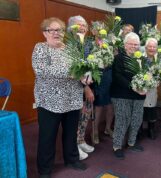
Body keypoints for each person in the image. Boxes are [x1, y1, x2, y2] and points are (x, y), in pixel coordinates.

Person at [32, 17, 87, 178]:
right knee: (47, 136)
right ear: (45, 33)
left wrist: (85, 77)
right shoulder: (40, 48)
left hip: (72, 99)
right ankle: (45, 170)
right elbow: (41, 71)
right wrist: (70, 73)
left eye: (60, 30)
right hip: (49, 101)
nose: (56, 33)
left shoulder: (71, 49)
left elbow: (81, 69)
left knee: (71, 133)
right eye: (52, 30)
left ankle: (72, 159)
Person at [110, 32, 146, 159]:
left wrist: (147, 84)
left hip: (139, 95)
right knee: (122, 120)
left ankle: (131, 142)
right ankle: (117, 146)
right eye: (131, 44)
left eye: (136, 44)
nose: (133, 46)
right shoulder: (119, 58)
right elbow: (117, 76)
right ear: (125, 45)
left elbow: (146, 75)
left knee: (137, 119)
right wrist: (133, 87)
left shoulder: (141, 58)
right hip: (121, 94)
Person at [67, 15, 95, 160]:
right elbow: (73, 70)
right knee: (75, 118)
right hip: (74, 88)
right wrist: (86, 88)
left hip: (87, 83)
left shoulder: (88, 43)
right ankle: (73, 146)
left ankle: (81, 140)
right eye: (79, 25)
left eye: (84, 25)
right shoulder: (68, 44)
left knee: (85, 114)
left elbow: (91, 65)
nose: (83, 28)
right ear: (71, 27)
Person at [90, 21, 114, 143]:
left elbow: (114, 58)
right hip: (98, 76)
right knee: (99, 105)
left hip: (109, 75)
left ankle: (107, 128)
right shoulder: (89, 44)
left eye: (102, 29)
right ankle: (94, 131)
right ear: (93, 31)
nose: (100, 32)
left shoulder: (109, 43)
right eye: (97, 29)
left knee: (110, 105)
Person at [143, 38, 158, 140]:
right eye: (150, 46)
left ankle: (151, 129)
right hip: (141, 88)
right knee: (140, 108)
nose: (152, 48)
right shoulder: (140, 58)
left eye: (154, 47)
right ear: (146, 47)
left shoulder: (158, 59)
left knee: (152, 108)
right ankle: (138, 129)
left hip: (152, 88)